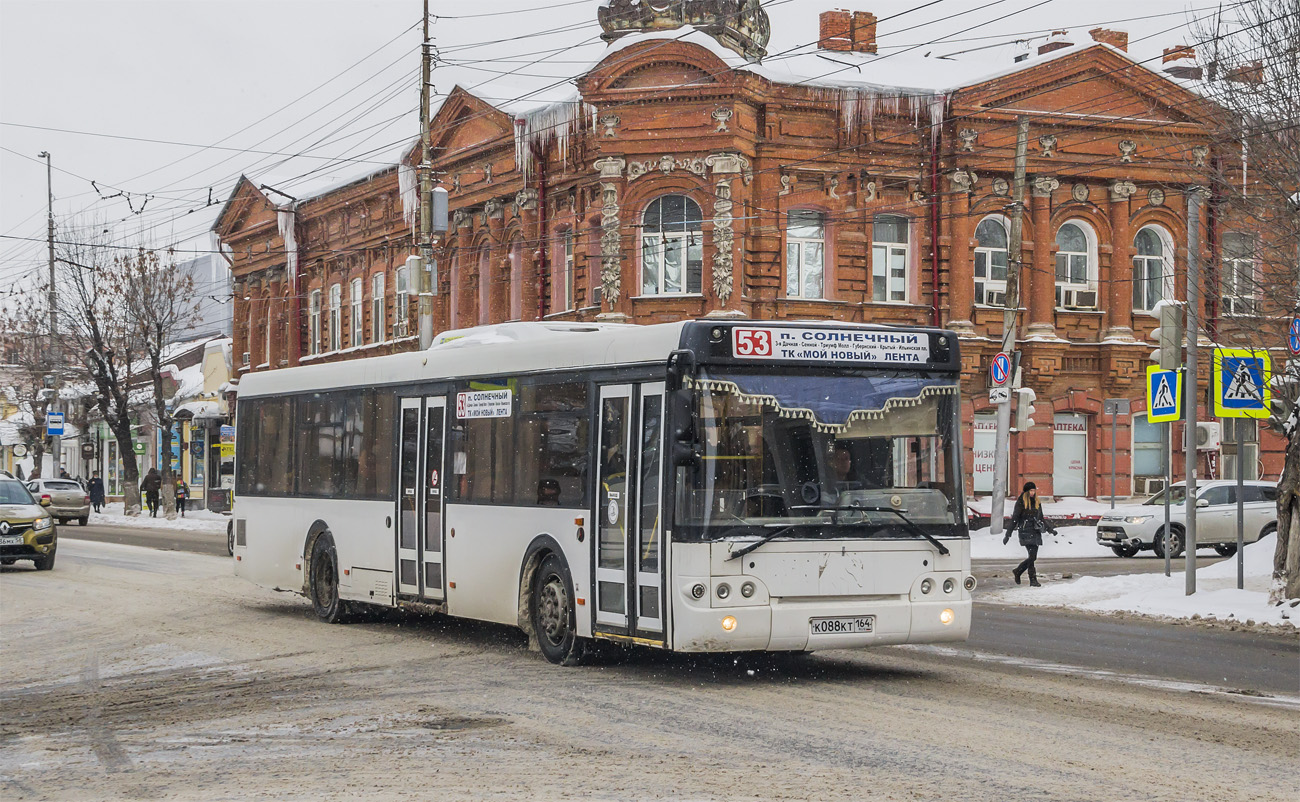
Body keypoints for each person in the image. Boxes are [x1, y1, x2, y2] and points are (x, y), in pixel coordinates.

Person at [1004, 481, 1056, 587]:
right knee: (1032, 556)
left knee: (1032, 557)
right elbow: (1015, 519)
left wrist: (1050, 530)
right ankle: (1031, 578)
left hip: (1035, 531)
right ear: (1027, 491)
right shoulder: (1021, 502)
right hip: (1025, 531)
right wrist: (1008, 534)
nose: (1033, 493)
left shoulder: (1037, 502)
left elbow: (1041, 518)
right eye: (1031, 491)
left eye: (1034, 490)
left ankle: (1020, 572)